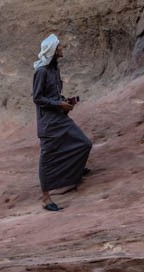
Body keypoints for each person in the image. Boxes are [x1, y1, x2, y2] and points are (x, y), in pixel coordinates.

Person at [32, 33, 92, 212]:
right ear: (52, 50)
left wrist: (65, 101)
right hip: (48, 123)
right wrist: (59, 104)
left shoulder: (54, 69)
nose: (62, 49)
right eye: (59, 47)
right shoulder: (41, 71)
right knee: (47, 158)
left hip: (60, 117)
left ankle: (73, 172)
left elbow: (53, 95)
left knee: (83, 144)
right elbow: (37, 98)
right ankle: (45, 198)